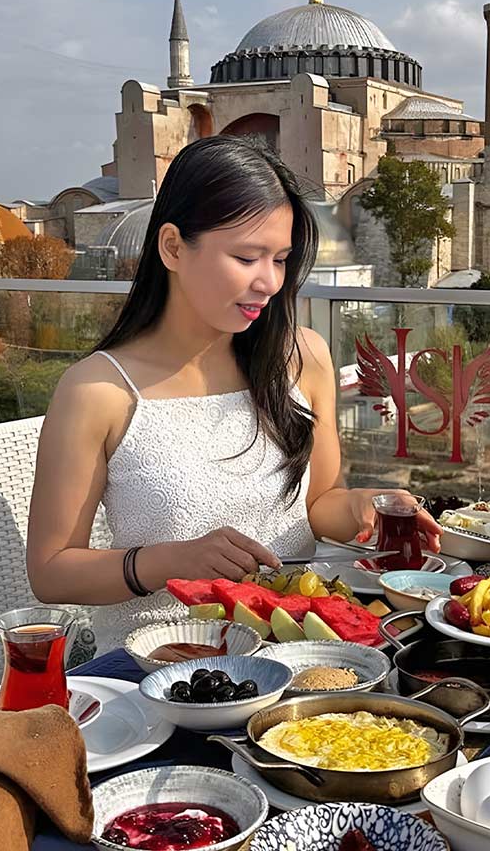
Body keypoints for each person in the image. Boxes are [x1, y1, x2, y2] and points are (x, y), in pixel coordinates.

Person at [26, 136, 439, 645]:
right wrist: (169, 562)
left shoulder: (301, 357)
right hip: (163, 660)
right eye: (247, 257)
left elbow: (320, 504)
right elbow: (50, 572)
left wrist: (361, 506)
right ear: (173, 246)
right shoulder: (99, 390)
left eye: (281, 259)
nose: (269, 281)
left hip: (303, 647)